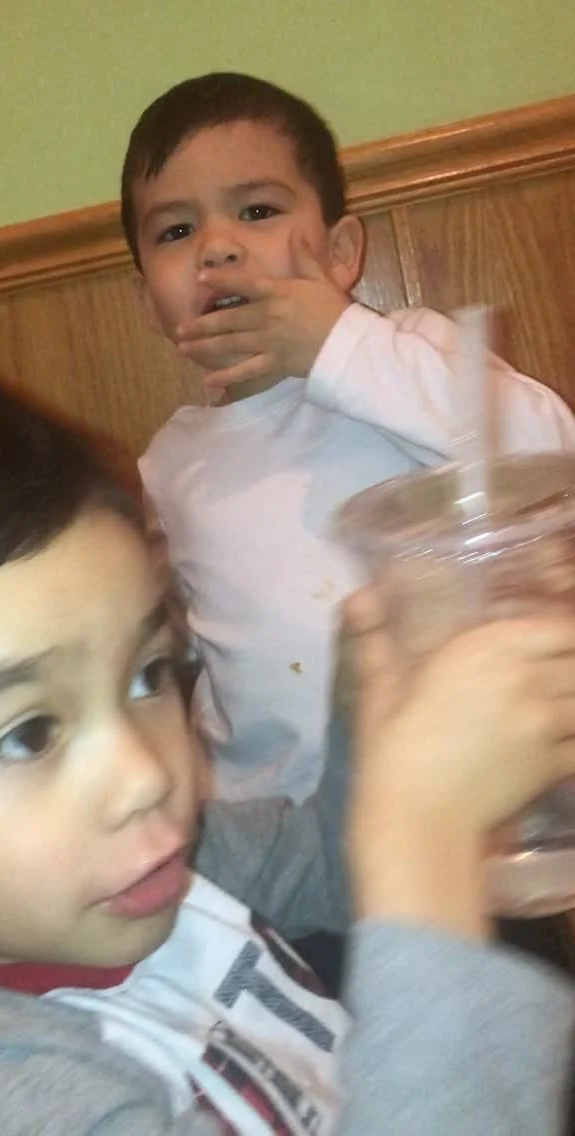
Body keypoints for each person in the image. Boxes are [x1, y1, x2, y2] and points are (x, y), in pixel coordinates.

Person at [0, 363, 575, 1135]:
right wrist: (426, 830)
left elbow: (338, 872)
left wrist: (371, 704)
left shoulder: (181, 866)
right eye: (29, 734)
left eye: (148, 675)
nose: (145, 776)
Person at [121, 71, 575, 806]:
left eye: (258, 210)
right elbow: (176, 655)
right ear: (148, 301)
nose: (218, 247)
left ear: (341, 253)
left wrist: (338, 344)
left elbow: (551, 456)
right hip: (293, 836)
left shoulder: (409, 356)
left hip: (477, 801)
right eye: (176, 231)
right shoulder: (170, 468)